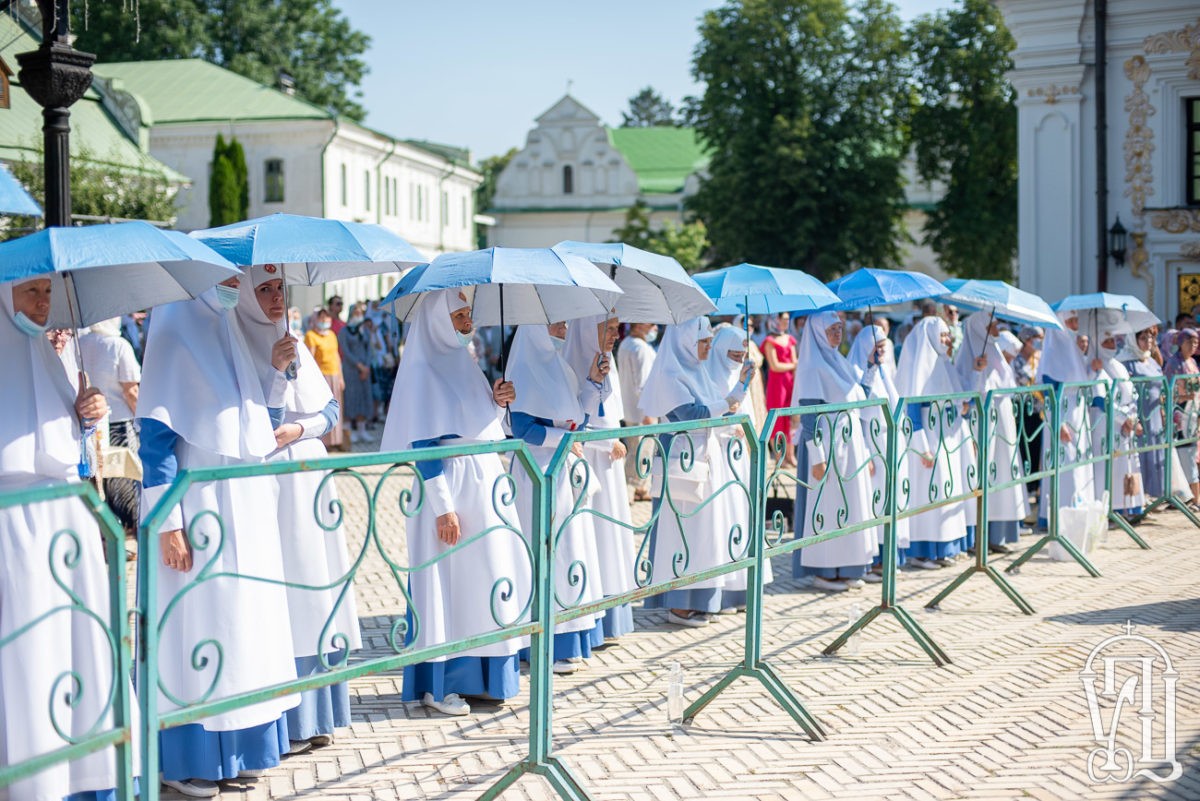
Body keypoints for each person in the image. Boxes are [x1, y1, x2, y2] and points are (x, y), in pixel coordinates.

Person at [138, 277, 299, 796]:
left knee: (245, 625)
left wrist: (275, 373)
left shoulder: (226, 330)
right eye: (222, 276)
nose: (234, 284)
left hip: (244, 502)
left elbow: (259, 428)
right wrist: (168, 525)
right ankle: (189, 760)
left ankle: (241, 748)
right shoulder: (174, 333)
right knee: (202, 626)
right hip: (199, 504)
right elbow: (156, 443)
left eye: (236, 277)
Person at [0, 277, 130, 801]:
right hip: (15, 526)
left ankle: (81, 775)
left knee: (76, 643)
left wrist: (85, 414)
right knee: (30, 649)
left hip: (66, 519)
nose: (42, 302)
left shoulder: (49, 353)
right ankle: (33, 779)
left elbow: (60, 447)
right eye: (30, 292)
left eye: (47, 292)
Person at [379, 288, 529, 718]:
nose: (469, 323)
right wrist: (443, 507)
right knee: (447, 586)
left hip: (482, 487)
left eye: (468, 315)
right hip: (451, 491)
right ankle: (439, 683)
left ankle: (484, 678)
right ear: (439, 322)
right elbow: (425, 444)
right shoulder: (423, 368)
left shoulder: (463, 362)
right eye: (460, 316)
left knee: (485, 580)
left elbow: (478, 426)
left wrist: (497, 402)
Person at [234, 265, 360, 752]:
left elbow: (328, 410)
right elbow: (255, 427)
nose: (274, 298)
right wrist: (273, 374)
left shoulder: (294, 342)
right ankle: (287, 716)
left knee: (317, 585)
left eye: (280, 289)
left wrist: (299, 430)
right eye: (263, 289)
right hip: (273, 486)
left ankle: (319, 711)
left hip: (311, 480)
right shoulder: (237, 343)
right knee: (288, 588)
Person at [639, 318, 752, 626]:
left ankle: (701, 600)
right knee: (681, 533)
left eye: (709, 342)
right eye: (703, 342)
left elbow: (717, 408)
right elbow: (692, 414)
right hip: (681, 461)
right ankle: (679, 604)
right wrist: (730, 399)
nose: (708, 348)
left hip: (701, 458)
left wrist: (739, 388)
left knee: (703, 534)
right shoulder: (670, 374)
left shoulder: (697, 371)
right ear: (686, 343)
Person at [507, 322, 606, 671]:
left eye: (564, 321)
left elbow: (577, 419)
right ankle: (542, 644)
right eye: (554, 322)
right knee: (546, 551)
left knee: (570, 550)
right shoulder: (522, 369)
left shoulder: (560, 367)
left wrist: (593, 381)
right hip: (536, 472)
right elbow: (522, 429)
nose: (563, 327)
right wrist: (562, 439)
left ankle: (569, 637)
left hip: (563, 470)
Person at [789, 312, 879, 591]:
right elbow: (809, 417)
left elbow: (858, 395)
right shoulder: (812, 366)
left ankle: (848, 567)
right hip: (827, 446)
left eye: (840, 328)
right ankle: (825, 571)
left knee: (849, 505)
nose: (838, 333)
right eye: (831, 329)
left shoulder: (839, 362)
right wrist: (817, 458)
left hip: (849, 444)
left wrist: (871, 366)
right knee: (828, 507)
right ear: (818, 332)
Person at [562, 311, 637, 642]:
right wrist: (607, 441)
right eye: (608, 328)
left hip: (610, 463)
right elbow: (574, 422)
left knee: (611, 537)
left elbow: (611, 415)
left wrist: (614, 438)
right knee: (594, 538)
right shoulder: (571, 365)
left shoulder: (609, 363)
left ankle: (614, 614)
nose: (615, 335)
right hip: (589, 462)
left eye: (617, 328)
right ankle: (591, 618)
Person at [894, 316, 971, 568]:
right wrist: (921, 447)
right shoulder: (920, 366)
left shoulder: (943, 364)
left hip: (946, 436)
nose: (947, 340)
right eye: (942, 335)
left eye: (948, 335)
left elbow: (957, 399)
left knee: (946, 489)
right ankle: (922, 552)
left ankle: (943, 548)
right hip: (929, 437)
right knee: (928, 492)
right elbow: (913, 411)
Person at [954, 314, 1028, 553]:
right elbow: (967, 394)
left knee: (1001, 474)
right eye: (992, 325)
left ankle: (997, 535)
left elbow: (1008, 386)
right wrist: (977, 371)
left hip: (1003, 423)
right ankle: (977, 537)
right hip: (982, 423)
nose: (997, 329)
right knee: (981, 474)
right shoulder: (967, 356)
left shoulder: (996, 353)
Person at [848, 323, 909, 580]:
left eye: (883, 346)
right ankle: (872, 562)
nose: (880, 351)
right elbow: (859, 412)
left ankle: (889, 558)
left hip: (890, 442)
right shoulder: (856, 371)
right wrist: (865, 452)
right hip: (872, 444)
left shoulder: (885, 372)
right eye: (876, 346)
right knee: (875, 501)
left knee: (892, 499)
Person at [78, 317, 143, 536]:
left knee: (100, 481)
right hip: (121, 424)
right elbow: (131, 391)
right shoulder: (119, 345)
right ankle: (128, 530)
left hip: (91, 423)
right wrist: (143, 421)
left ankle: (108, 532)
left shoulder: (80, 343)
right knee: (126, 481)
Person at [1036, 310, 1100, 526]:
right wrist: (1059, 423)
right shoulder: (1054, 352)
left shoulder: (1072, 349)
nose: (1075, 325)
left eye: (1076, 320)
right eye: (1071, 321)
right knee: (1065, 464)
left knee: (1079, 465)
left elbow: (1080, 381)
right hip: (1062, 415)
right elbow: (1049, 392)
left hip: (1078, 414)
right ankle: (1061, 517)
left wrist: (1091, 369)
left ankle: (1080, 515)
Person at [1095, 328, 1145, 517]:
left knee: (1126, 466)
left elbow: (1131, 394)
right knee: (1109, 469)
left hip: (1125, 425)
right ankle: (1112, 508)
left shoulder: (1118, 365)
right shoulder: (1096, 366)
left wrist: (1132, 418)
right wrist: (1124, 419)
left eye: (1112, 341)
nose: (1111, 345)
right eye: (1106, 342)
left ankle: (1128, 506)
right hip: (1106, 425)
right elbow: (1101, 399)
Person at [1121, 327, 1168, 501]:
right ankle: (1140, 495)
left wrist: (1163, 411)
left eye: (1151, 337)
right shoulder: (1127, 362)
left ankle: (1156, 494)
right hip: (1139, 414)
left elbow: (1161, 389)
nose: (1148, 341)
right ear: (1134, 340)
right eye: (1143, 337)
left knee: (1156, 451)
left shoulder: (1153, 362)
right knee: (1139, 453)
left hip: (1155, 415)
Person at [616, 322, 658, 501]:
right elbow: (643, 383)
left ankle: (640, 488)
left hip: (630, 407)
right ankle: (631, 489)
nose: (655, 328)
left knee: (637, 448)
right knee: (641, 451)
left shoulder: (626, 343)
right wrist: (648, 411)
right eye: (651, 324)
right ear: (639, 324)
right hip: (642, 411)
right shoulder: (640, 348)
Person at [1164, 328, 1200, 506]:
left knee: (1191, 452)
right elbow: (1167, 391)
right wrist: (1185, 396)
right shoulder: (1173, 363)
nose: (1193, 345)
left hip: (1193, 412)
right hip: (1179, 414)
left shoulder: (1192, 362)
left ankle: (1193, 496)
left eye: (1195, 342)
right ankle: (1188, 496)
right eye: (1189, 342)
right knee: (1182, 453)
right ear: (1180, 343)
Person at [305, 308, 345, 452]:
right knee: (323, 408)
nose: (325, 321)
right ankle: (324, 441)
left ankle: (335, 441)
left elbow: (336, 356)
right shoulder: (311, 335)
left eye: (327, 318)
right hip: (321, 376)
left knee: (336, 408)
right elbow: (310, 359)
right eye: (322, 318)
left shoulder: (332, 335)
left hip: (334, 374)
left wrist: (341, 377)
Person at [762, 312, 798, 467]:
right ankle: (779, 456)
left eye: (788, 319)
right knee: (777, 419)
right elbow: (774, 366)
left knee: (791, 419)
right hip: (777, 385)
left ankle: (790, 454)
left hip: (790, 382)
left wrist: (793, 367)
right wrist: (793, 365)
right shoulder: (769, 341)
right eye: (784, 319)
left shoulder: (790, 339)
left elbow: (794, 361)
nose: (787, 322)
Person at [338, 304, 374, 444]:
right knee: (351, 398)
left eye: (360, 312)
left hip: (365, 370)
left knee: (364, 397)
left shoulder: (364, 330)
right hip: (351, 370)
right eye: (356, 312)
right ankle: (349, 431)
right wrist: (359, 365)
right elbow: (345, 351)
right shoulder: (344, 331)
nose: (358, 315)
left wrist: (366, 366)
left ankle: (362, 430)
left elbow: (369, 349)